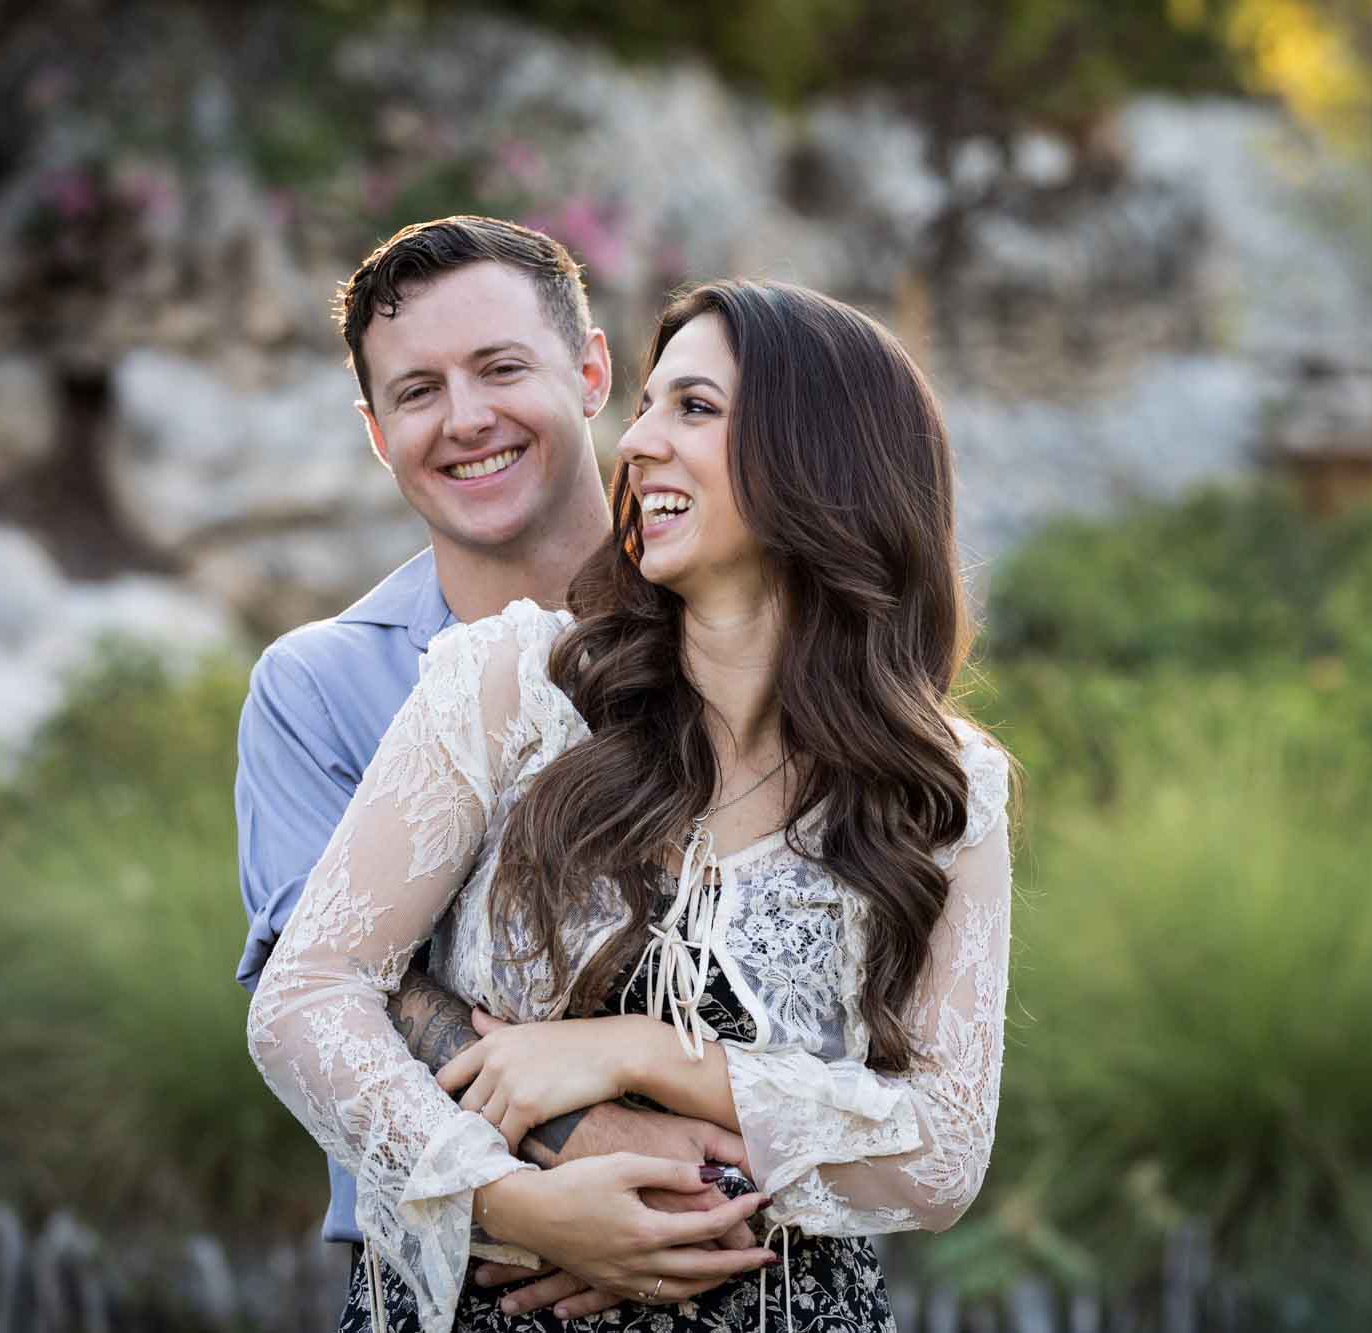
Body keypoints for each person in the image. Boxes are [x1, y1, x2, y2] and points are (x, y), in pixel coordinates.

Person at [247, 279, 1015, 1333]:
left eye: (691, 409)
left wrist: (640, 1052)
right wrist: (511, 1200)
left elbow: (941, 1155)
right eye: (644, 406)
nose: (638, 442)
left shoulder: (944, 783)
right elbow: (307, 998)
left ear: (821, 458)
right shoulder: (508, 686)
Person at [235, 217, 777, 1329]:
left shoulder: (738, 639)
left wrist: (682, 1204)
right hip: (456, 1280)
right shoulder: (320, 687)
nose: (466, 418)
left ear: (589, 372)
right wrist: (557, 1190)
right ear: (376, 434)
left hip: (748, 1263)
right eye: (417, 391)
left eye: (499, 368)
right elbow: (337, 985)